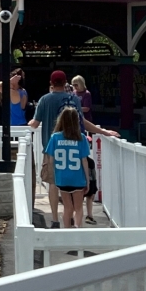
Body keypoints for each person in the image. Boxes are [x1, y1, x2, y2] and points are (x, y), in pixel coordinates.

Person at [28, 71, 119, 228]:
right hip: (75, 150)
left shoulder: (44, 100)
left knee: (53, 184)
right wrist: (104, 131)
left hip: (51, 150)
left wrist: (23, 124)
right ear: (65, 83)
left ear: (51, 82)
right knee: (76, 193)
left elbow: (34, 124)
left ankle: (55, 219)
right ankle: (75, 224)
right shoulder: (74, 99)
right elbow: (82, 122)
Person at [42, 107, 91, 228]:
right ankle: (78, 230)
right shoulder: (81, 138)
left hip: (62, 178)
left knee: (67, 207)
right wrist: (88, 180)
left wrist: (54, 175)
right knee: (78, 208)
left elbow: (51, 159)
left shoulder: (55, 137)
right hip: (77, 178)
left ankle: (66, 231)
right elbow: (84, 160)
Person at [70, 75, 96, 222]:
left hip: (84, 124)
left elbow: (87, 108)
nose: (75, 87)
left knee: (86, 160)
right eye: (73, 85)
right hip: (78, 127)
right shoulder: (73, 95)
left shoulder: (86, 94)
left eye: (76, 84)